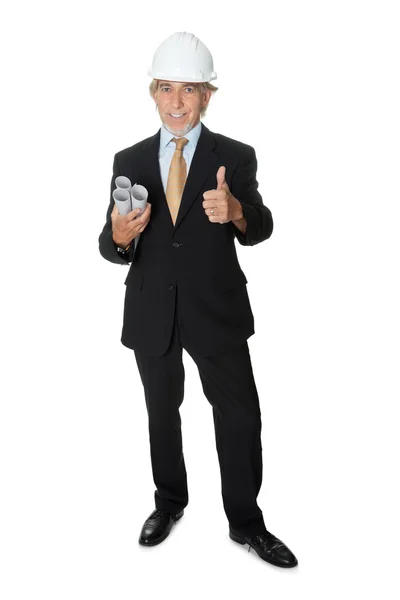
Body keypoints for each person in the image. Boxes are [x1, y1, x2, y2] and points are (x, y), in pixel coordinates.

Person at [98, 31, 298, 568]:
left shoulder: (234, 156)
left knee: (239, 416)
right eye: (166, 89)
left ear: (207, 95)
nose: (178, 102)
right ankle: (169, 504)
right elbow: (109, 244)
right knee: (162, 414)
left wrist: (235, 210)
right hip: (152, 311)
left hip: (216, 309)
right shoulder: (129, 159)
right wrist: (120, 235)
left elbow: (261, 226)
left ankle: (247, 524)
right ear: (153, 94)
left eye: (189, 90)